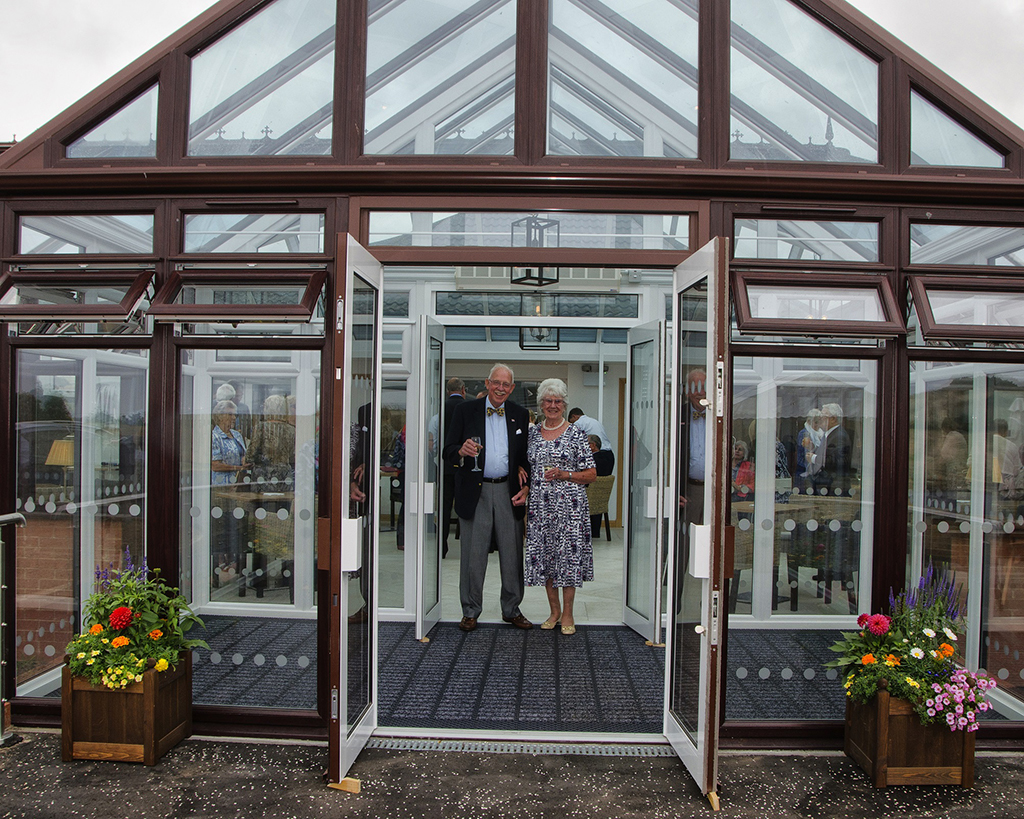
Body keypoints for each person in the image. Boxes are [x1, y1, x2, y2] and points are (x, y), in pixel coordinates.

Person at [442, 363, 531, 632]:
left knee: (512, 553)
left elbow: (526, 457)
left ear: (512, 388)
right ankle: (470, 610)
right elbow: (447, 451)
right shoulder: (464, 410)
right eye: (496, 383)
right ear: (487, 383)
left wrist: (526, 482)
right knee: (473, 555)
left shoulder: (520, 414)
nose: (501, 388)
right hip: (475, 491)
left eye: (506, 384)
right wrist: (461, 450)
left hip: (508, 490)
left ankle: (511, 609)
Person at [525, 379, 596, 635]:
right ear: (541, 404)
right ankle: (553, 611)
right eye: (548, 401)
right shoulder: (532, 432)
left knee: (567, 559)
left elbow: (591, 474)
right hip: (540, 508)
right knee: (546, 560)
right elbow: (527, 466)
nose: (553, 405)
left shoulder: (576, 433)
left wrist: (565, 474)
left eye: (558, 401)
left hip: (570, 507)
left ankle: (568, 614)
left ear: (564, 404)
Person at [434, 377, 466, 558]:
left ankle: (442, 546)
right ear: (463, 389)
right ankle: (466, 545)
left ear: (447, 391)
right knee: (465, 507)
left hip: (446, 464)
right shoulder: (468, 407)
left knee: (445, 507)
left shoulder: (441, 409)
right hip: (464, 465)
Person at [248, 394, 296, 485]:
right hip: (284, 476)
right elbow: (293, 456)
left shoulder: (260, 428)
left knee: (261, 498)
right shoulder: (292, 430)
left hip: (262, 476)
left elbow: (250, 455)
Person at [587, 435, 614, 537]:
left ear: (593, 445)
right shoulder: (607, 459)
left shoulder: (590, 461)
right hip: (600, 499)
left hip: (587, 496)